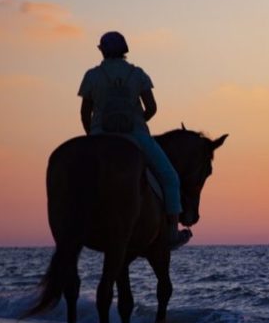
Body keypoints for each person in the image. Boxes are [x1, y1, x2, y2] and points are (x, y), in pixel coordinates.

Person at [78, 31, 191, 249]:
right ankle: (171, 233)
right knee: (170, 177)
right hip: (136, 135)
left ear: (102, 50)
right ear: (125, 51)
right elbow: (152, 108)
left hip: (100, 136)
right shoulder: (138, 74)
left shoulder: (92, 76)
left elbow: (85, 113)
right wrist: (137, 121)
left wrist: (92, 136)